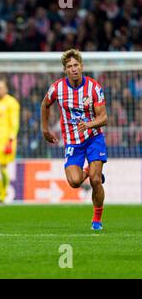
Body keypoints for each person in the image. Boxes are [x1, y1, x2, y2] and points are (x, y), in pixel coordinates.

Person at [40, 49, 107, 231]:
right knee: (75, 182)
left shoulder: (94, 87)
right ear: (65, 70)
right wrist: (45, 130)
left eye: (76, 65)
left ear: (82, 66)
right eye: (69, 66)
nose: (73, 69)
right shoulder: (58, 88)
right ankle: (90, 170)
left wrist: (90, 124)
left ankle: (97, 220)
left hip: (94, 138)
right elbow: (45, 104)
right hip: (72, 141)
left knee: (95, 180)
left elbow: (104, 118)